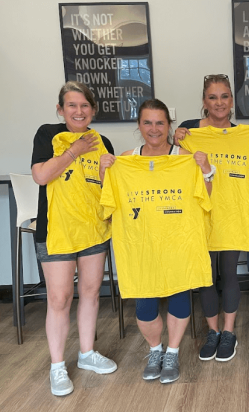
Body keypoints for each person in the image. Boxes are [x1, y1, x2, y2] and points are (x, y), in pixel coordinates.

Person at [100, 99, 215, 384]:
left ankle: (172, 352)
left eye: (160, 123)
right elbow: (110, 204)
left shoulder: (184, 158)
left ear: (169, 126)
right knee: (145, 304)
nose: (154, 129)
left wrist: (206, 170)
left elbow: (206, 198)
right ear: (139, 126)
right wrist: (106, 173)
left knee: (178, 295)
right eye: (148, 123)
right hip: (141, 245)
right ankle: (155, 350)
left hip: (178, 241)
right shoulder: (125, 160)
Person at [178, 74, 249, 363]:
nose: (219, 102)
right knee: (206, 278)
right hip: (200, 216)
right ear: (204, 102)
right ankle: (212, 332)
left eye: (224, 96)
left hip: (234, 215)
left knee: (230, 274)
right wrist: (178, 139)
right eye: (212, 97)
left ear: (232, 100)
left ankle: (229, 332)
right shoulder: (188, 132)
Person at [31, 81, 117, 397]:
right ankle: (57, 367)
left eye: (84, 106)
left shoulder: (102, 140)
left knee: (92, 291)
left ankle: (86, 353)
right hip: (57, 231)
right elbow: (41, 176)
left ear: (93, 110)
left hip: (93, 230)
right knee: (59, 298)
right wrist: (73, 150)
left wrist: (110, 170)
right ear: (60, 109)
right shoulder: (47, 134)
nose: (78, 111)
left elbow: (105, 188)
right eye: (72, 105)